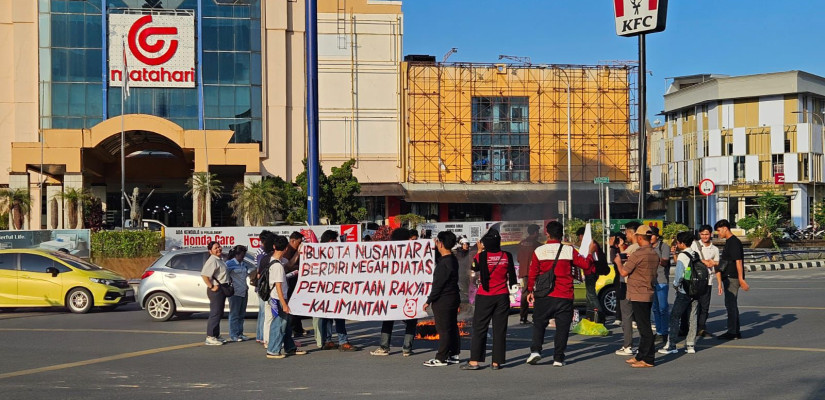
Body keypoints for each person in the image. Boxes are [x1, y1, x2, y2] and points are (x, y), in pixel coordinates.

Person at [525, 221, 597, 367]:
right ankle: (558, 358)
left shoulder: (539, 251)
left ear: (547, 233)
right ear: (561, 234)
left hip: (544, 295)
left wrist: (530, 290)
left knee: (539, 323)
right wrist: (590, 252)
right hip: (564, 295)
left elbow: (533, 273)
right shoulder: (569, 250)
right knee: (563, 327)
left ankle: (536, 351)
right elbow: (585, 264)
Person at [460, 229, 516, 371]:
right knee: (500, 329)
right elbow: (512, 276)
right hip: (502, 296)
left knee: (479, 328)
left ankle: (474, 361)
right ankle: (497, 362)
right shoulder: (507, 256)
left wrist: (479, 251)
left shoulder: (482, 257)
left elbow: (474, 267)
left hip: (485, 295)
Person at [614, 224, 659, 368]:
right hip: (648, 292)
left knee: (644, 328)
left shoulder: (639, 253)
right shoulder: (653, 253)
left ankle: (648, 359)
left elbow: (624, 272)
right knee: (643, 325)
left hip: (638, 293)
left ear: (639, 237)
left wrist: (618, 262)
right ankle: (641, 355)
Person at [371, 228, 419, 356]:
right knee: (411, 319)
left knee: (388, 318)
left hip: (391, 292)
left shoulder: (388, 253)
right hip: (409, 291)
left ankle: (384, 346)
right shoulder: (414, 253)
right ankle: (407, 348)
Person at [422, 231, 461, 367]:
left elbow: (438, 286)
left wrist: (428, 300)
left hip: (443, 300)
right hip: (453, 297)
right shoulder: (452, 259)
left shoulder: (444, 264)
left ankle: (441, 357)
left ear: (442, 243)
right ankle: (454, 354)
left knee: (443, 329)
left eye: (438, 241)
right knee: (452, 326)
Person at [266, 235, 308, 358]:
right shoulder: (278, 266)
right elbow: (278, 286)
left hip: (278, 298)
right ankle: (273, 350)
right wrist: (284, 304)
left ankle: (290, 348)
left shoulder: (276, 261)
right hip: (279, 298)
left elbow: (289, 265)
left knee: (285, 325)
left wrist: (299, 253)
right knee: (278, 325)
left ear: (274, 247)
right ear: (285, 249)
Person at [659, 231, 700, 355]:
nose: (677, 244)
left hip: (684, 290)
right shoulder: (695, 254)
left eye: (678, 242)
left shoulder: (682, 256)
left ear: (682, 243)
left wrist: (676, 285)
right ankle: (690, 345)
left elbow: (679, 275)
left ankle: (671, 345)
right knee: (692, 317)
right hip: (696, 289)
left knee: (674, 317)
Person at [714, 219, 749, 340]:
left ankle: (732, 332)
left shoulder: (734, 242)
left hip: (732, 277)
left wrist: (741, 279)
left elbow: (738, 261)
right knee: (731, 304)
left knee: (731, 305)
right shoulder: (729, 242)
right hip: (728, 276)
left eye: (719, 230)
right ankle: (735, 331)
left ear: (725, 228)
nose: (718, 233)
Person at [615, 221, 642, 356]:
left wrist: (618, 258)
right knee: (641, 316)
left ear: (632, 233)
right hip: (641, 285)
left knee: (627, 316)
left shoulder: (633, 248)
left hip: (627, 284)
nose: (626, 235)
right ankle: (642, 345)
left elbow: (620, 262)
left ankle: (627, 345)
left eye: (626, 232)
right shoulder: (644, 248)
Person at [689, 225, 721, 337]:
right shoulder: (694, 245)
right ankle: (690, 327)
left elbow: (717, 267)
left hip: (708, 281)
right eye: (702, 234)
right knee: (692, 305)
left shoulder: (715, 249)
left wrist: (719, 283)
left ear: (711, 234)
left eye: (706, 234)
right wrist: (704, 261)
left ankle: (701, 328)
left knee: (704, 306)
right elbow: (690, 258)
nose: (704, 236)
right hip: (695, 280)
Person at [200, 241, 229, 346]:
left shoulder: (219, 259)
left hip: (221, 289)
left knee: (219, 312)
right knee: (215, 312)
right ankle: (210, 336)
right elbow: (204, 275)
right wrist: (211, 286)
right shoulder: (212, 260)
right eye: (215, 248)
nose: (218, 249)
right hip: (216, 290)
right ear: (210, 251)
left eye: (219, 247)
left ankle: (216, 335)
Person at [650, 226, 671, 344]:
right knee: (655, 309)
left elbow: (664, 261)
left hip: (661, 281)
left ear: (657, 236)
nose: (650, 238)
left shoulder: (664, 246)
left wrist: (653, 257)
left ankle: (664, 331)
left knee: (663, 308)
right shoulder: (647, 247)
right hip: (651, 281)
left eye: (652, 235)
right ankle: (658, 331)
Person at [517, 224, 542, 324]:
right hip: (534, 272)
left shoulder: (521, 243)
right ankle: (536, 316)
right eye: (538, 232)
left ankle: (523, 317)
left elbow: (518, 258)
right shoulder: (537, 245)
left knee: (525, 293)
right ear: (535, 232)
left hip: (523, 273)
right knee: (536, 293)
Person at [226, 245, 250, 342]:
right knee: (234, 314)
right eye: (242, 255)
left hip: (244, 290)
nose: (243, 257)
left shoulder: (243, 264)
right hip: (235, 292)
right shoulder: (229, 263)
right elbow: (224, 275)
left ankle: (240, 333)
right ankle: (234, 334)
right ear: (237, 254)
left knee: (241, 314)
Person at [284, 232, 305, 337]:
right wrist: (298, 253)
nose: (300, 244)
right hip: (289, 282)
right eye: (299, 242)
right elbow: (289, 264)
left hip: (297, 281)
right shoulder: (287, 250)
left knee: (297, 305)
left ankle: (298, 328)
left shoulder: (296, 249)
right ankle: (292, 328)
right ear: (293, 241)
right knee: (292, 305)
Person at [254, 230, 275, 343]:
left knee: (263, 312)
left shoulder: (261, 252)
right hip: (264, 287)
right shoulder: (262, 253)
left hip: (262, 286)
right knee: (264, 313)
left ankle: (260, 335)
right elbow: (259, 271)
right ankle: (262, 336)